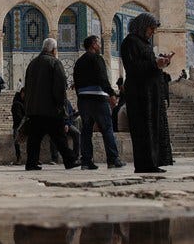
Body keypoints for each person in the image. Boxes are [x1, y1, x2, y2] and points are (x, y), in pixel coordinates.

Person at [120, 13, 172, 173]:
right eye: (151, 28)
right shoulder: (130, 42)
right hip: (139, 93)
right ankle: (144, 164)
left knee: (152, 127)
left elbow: (148, 65)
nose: (153, 32)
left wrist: (161, 62)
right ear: (142, 26)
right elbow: (133, 67)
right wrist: (154, 64)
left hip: (150, 92)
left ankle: (153, 162)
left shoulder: (145, 44)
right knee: (142, 129)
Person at [22, 38, 78, 170]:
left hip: (34, 109)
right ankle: (69, 160)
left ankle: (31, 163)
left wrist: (28, 107)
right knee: (59, 137)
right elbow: (59, 87)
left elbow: (27, 88)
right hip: (51, 108)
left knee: (34, 139)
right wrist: (61, 106)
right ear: (53, 50)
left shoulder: (32, 64)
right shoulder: (54, 62)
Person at [73, 35, 123, 169]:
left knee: (87, 130)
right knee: (106, 128)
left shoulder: (79, 61)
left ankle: (86, 161)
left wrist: (80, 96)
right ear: (93, 44)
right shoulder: (97, 58)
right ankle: (113, 159)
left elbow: (76, 82)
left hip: (83, 99)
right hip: (97, 98)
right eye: (98, 43)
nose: (100, 46)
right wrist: (111, 94)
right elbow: (102, 78)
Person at [10, 88, 26, 164]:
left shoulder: (25, 102)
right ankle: (18, 157)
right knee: (17, 141)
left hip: (24, 124)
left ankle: (34, 157)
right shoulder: (16, 103)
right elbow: (17, 116)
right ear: (22, 93)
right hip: (18, 125)